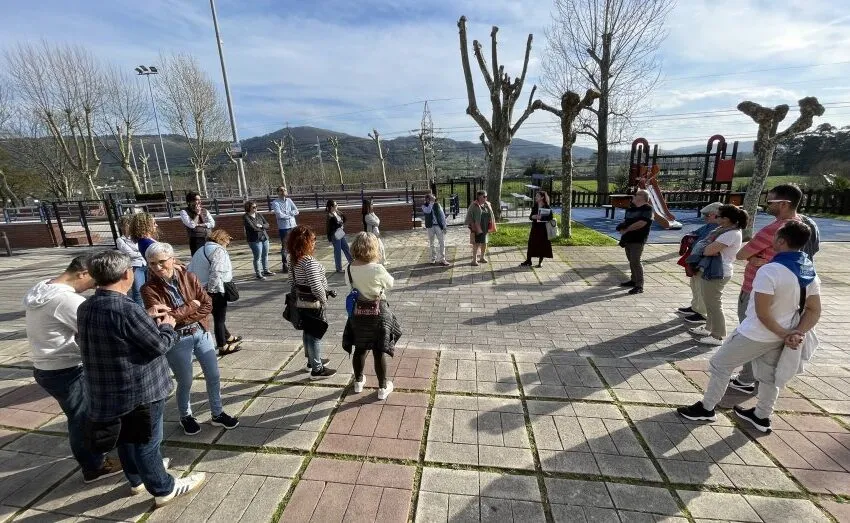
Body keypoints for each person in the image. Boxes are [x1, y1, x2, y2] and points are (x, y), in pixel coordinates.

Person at [77, 250, 205, 506]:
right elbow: (158, 345)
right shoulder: (125, 309)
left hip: (106, 390)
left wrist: (146, 317)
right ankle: (163, 487)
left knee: (126, 439)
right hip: (139, 390)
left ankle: (136, 479)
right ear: (127, 274)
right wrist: (167, 324)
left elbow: (111, 337)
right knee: (147, 441)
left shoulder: (86, 306)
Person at [677, 221, 821, 433]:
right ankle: (762, 416)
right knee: (769, 376)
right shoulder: (809, 271)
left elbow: (762, 313)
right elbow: (814, 310)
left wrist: (785, 333)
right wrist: (795, 332)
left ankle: (706, 409)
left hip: (758, 333)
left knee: (720, 364)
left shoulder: (770, 270)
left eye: (775, 237)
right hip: (784, 334)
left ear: (780, 241)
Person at [23, 254, 123, 483]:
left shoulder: (44, 287)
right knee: (82, 420)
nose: (96, 286)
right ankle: (94, 467)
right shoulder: (66, 301)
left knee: (80, 417)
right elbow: (99, 330)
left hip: (47, 367)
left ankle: (99, 454)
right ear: (82, 273)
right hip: (65, 369)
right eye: (95, 280)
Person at [142, 242, 239, 435]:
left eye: (162, 262)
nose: (157, 267)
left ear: (172, 259)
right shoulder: (149, 289)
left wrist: (183, 313)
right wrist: (191, 306)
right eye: (152, 264)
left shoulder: (189, 277)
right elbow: (164, 319)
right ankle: (186, 415)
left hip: (201, 332)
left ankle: (217, 413)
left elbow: (207, 304)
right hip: (177, 338)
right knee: (185, 381)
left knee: (213, 375)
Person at [731, 183, 809, 393]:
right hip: (784, 291)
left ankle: (747, 378)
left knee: (752, 331)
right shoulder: (800, 224)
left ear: (784, 204)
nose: (766, 205)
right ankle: (759, 379)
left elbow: (741, 254)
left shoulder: (775, 229)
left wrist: (760, 259)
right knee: (767, 333)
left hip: (758, 288)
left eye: (770, 201)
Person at [343, 233, 402, 400]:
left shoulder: (349, 268)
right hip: (378, 313)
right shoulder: (377, 268)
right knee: (378, 350)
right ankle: (383, 387)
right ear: (373, 248)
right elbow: (390, 283)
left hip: (357, 313)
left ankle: (358, 381)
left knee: (359, 348)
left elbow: (349, 285)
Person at [687, 205, 748, 346]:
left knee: (714, 304)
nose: (715, 218)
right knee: (709, 302)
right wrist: (707, 248)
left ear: (726, 219)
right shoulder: (722, 230)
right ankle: (709, 328)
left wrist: (705, 249)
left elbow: (708, 250)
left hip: (718, 272)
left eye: (719, 216)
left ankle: (718, 335)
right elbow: (708, 248)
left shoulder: (731, 233)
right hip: (710, 269)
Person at [287, 225, 337, 379]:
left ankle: (312, 361)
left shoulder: (293, 259)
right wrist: (324, 301)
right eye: (312, 240)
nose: (315, 242)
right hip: (313, 304)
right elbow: (316, 286)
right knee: (315, 335)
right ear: (304, 242)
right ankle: (317, 369)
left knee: (308, 332)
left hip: (301, 303)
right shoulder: (309, 262)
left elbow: (291, 282)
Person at [188, 229, 242, 356]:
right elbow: (216, 271)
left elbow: (190, 269)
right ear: (222, 239)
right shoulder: (218, 251)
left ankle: (227, 336)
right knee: (219, 318)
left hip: (200, 288)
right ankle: (223, 346)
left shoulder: (200, 250)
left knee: (217, 316)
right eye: (228, 240)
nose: (228, 244)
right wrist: (211, 291)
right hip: (215, 289)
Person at [677, 202, 722, 321]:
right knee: (694, 284)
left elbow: (705, 242)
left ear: (716, 215)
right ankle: (695, 307)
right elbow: (696, 234)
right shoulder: (709, 226)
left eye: (707, 215)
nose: (704, 217)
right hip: (697, 259)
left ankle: (701, 313)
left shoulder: (717, 228)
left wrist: (693, 239)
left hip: (705, 261)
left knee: (700, 287)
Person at [615, 189, 653, 295]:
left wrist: (626, 229)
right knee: (631, 260)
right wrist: (621, 227)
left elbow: (641, 223)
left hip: (638, 239)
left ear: (641, 197)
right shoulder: (631, 209)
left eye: (636, 195)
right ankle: (634, 280)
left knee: (636, 261)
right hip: (628, 239)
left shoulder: (647, 209)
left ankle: (639, 285)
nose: (633, 196)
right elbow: (626, 221)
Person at [116, 215, 147, 305]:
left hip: (146, 264)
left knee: (148, 289)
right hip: (135, 266)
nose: (129, 226)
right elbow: (131, 254)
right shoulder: (120, 240)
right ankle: (139, 310)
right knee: (138, 291)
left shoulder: (139, 236)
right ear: (122, 226)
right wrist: (143, 252)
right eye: (127, 224)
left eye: (130, 224)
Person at [521, 191, 554, 268]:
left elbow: (550, 217)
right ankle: (528, 261)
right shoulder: (535, 205)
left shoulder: (547, 206)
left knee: (542, 244)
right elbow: (530, 216)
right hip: (535, 228)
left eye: (537, 196)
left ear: (542, 197)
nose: (536, 197)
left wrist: (542, 217)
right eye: (536, 196)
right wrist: (534, 217)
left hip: (543, 229)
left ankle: (540, 262)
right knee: (531, 243)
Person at [129, 212, 159, 298]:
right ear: (145, 226)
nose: (156, 225)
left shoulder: (146, 240)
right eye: (153, 223)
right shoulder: (147, 242)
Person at [243, 201, 274, 280]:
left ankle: (266, 270)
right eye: (253, 207)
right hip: (254, 240)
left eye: (256, 206)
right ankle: (258, 273)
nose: (255, 208)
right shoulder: (246, 216)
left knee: (265, 255)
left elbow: (267, 225)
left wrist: (261, 226)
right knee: (258, 257)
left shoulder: (259, 215)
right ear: (248, 208)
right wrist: (261, 227)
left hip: (264, 238)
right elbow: (252, 227)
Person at [465, 190, 496, 266]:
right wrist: (472, 227)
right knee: (476, 243)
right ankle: (474, 260)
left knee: (485, 242)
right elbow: (469, 217)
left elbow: (491, 215)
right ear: (479, 197)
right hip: (477, 227)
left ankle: (482, 257)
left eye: (486, 196)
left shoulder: (487, 204)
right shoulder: (474, 205)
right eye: (484, 196)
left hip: (485, 227)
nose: (486, 198)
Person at [272, 186, 299, 272]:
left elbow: (297, 211)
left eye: (284, 190)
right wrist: (290, 214)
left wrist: (287, 213)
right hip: (284, 228)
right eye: (281, 190)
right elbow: (279, 215)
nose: (283, 191)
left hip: (293, 226)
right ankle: (285, 265)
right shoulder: (275, 202)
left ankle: (295, 263)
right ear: (278, 192)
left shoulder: (289, 200)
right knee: (285, 247)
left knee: (295, 245)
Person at [422, 193, 449, 266]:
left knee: (442, 242)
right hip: (430, 226)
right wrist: (431, 203)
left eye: (433, 198)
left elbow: (442, 215)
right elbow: (427, 211)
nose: (433, 199)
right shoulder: (424, 206)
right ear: (427, 199)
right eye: (431, 198)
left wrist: (444, 226)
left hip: (438, 226)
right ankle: (433, 258)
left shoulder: (437, 205)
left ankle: (442, 259)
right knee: (432, 243)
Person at [326, 199, 352, 273]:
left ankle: (352, 263)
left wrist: (341, 222)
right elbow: (331, 227)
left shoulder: (337, 212)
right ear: (331, 207)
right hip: (335, 234)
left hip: (340, 233)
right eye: (335, 205)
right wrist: (339, 224)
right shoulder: (329, 215)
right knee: (337, 251)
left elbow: (344, 218)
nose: (337, 206)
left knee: (346, 247)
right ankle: (339, 268)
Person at [362, 199, 386, 264]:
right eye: (371, 205)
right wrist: (376, 220)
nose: (372, 206)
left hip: (375, 234)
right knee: (377, 248)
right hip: (371, 235)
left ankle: (381, 261)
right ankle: (377, 262)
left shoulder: (371, 214)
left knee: (380, 247)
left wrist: (374, 215)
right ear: (368, 206)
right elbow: (377, 223)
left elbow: (377, 219)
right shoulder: (367, 216)